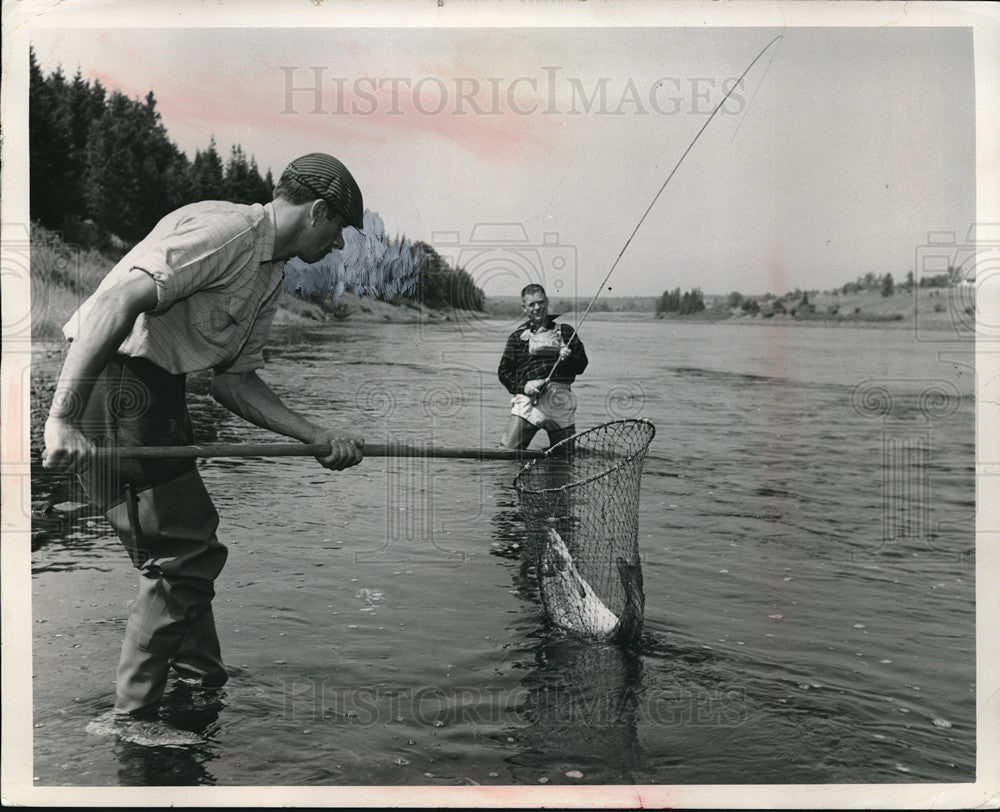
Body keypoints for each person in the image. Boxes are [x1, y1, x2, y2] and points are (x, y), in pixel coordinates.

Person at [41, 152, 367, 721]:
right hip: (115, 387)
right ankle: (132, 721)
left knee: (183, 552)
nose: (339, 245)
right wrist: (62, 417)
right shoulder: (231, 231)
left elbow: (233, 382)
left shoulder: (270, 272)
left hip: (156, 397)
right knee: (184, 553)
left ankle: (198, 688)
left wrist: (314, 436)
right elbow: (115, 301)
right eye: (340, 230)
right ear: (317, 211)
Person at [498, 284, 588, 449]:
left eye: (540, 302)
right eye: (531, 304)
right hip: (531, 401)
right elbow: (503, 372)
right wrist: (524, 386)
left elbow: (582, 365)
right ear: (524, 308)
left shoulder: (566, 332)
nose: (537, 307)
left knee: (564, 461)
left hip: (561, 401)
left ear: (547, 302)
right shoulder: (517, 337)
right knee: (507, 454)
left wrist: (569, 358)